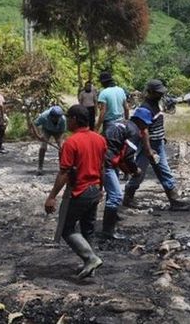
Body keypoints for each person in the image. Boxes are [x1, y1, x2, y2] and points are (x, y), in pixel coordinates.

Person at [43, 105, 106, 279]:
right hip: (94, 190)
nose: (66, 121)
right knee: (88, 229)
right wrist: (101, 189)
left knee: (66, 228)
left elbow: (64, 173)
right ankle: (90, 265)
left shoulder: (71, 142)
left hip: (80, 191)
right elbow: (102, 167)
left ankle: (90, 258)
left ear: (75, 119)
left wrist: (52, 197)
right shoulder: (99, 139)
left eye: (68, 117)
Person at [124, 80, 189, 211]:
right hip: (150, 145)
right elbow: (143, 131)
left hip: (156, 143)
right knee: (144, 172)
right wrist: (148, 150)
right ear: (151, 92)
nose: (161, 95)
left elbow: (155, 124)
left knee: (160, 171)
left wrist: (161, 137)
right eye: (158, 93)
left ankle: (173, 200)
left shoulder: (155, 105)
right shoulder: (144, 109)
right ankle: (128, 197)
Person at [100, 109, 150, 239]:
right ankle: (107, 231)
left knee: (112, 191)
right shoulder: (134, 132)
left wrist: (126, 169)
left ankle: (113, 216)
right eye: (146, 124)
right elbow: (128, 157)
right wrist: (135, 170)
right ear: (141, 122)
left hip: (102, 157)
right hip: (107, 161)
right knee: (116, 196)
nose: (146, 127)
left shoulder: (120, 123)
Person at [31, 105, 67, 176]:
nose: (56, 119)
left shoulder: (63, 119)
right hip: (46, 130)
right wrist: (38, 136)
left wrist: (59, 141)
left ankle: (62, 168)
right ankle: (40, 167)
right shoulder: (44, 116)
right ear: (51, 116)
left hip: (58, 131)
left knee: (62, 147)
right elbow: (34, 124)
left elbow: (62, 132)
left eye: (58, 118)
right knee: (43, 147)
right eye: (55, 118)